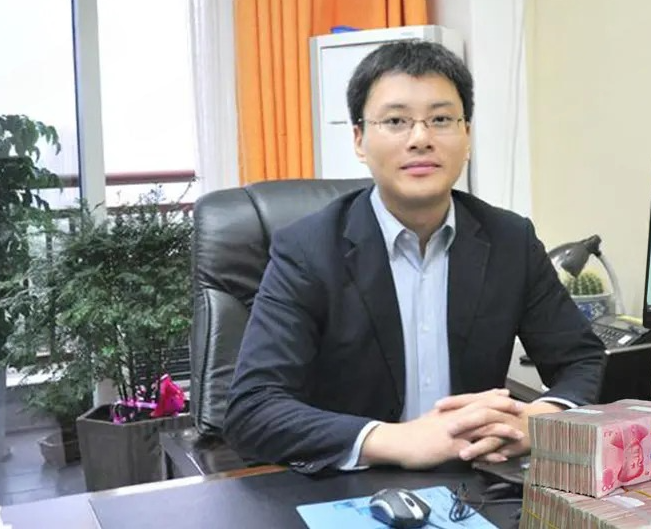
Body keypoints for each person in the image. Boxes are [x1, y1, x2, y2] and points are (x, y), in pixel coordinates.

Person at [223, 40, 605, 474]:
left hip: (476, 481)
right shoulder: (308, 250)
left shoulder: (510, 240)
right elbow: (253, 408)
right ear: (359, 140)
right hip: (352, 486)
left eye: (441, 119)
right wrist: (395, 440)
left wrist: (539, 420)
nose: (421, 139)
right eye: (396, 121)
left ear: (466, 136)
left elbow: (582, 360)